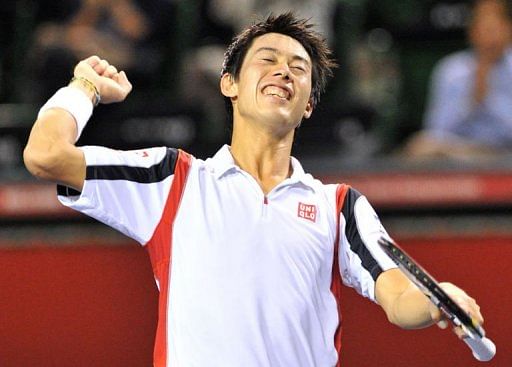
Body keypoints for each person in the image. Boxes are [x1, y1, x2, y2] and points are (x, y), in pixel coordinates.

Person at [23, 13, 485, 367]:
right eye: (268, 59)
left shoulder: (338, 206)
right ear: (230, 84)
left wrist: (434, 299)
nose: (284, 72)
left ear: (308, 106)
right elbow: (45, 154)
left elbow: (399, 299)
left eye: (298, 68)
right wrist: (84, 86)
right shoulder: (172, 180)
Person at [403, 0, 512, 159]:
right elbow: (435, 130)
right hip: (463, 152)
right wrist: (471, 103)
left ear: (508, 30)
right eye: (484, 28)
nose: (490, 36)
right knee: (421, 146)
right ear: (472, 32)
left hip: (505, 152)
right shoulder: (452, 70)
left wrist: (489, 100)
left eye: (495, 28)